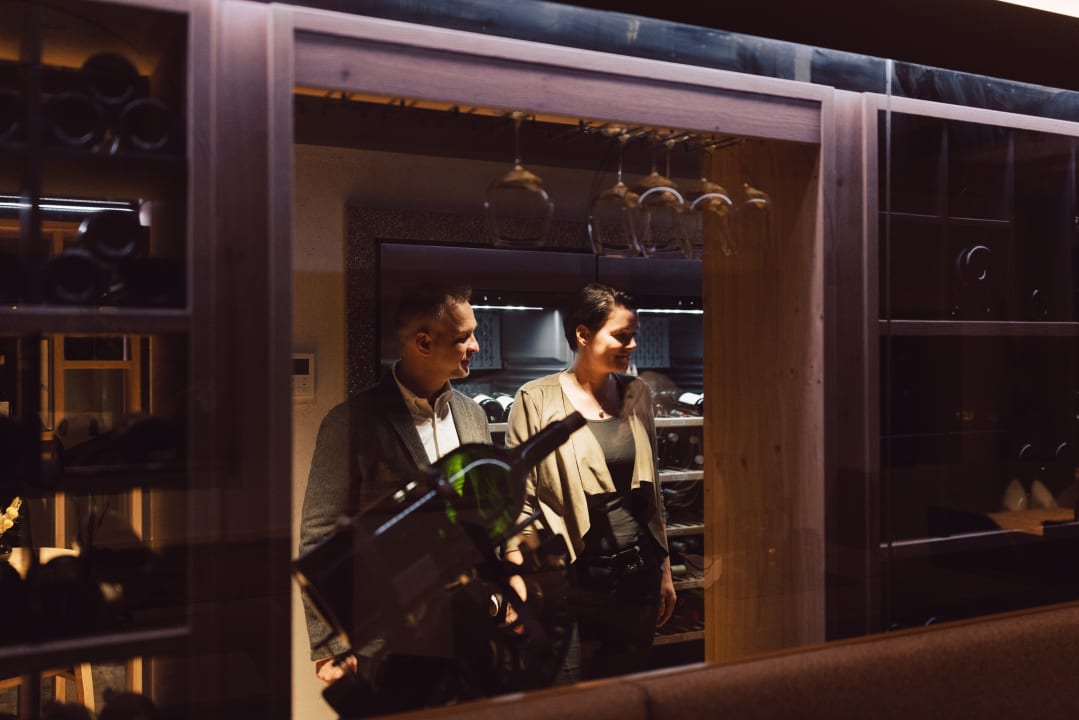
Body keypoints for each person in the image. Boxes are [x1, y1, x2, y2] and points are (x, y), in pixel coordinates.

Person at [298, 283, 491, 688]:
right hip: (388, 638)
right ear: (423, 343)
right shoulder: (351, 422)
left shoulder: (473, 416)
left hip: (469, 627)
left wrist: (503, 589)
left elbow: (485, 515)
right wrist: (330, 644)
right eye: (464, 337)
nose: (476, 346)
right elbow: (319, 536)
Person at [504, 282, 677, 684]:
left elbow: (651, 493)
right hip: (568, 579)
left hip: (637, 575)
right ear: (583, 334)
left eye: (633, 335)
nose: (632, 344)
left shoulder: (638, 394)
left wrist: (665, 570)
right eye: (621, 335)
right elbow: (518, 502)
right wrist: (515, 577)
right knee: (563, 695)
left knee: (626, 694)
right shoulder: (535, 399)